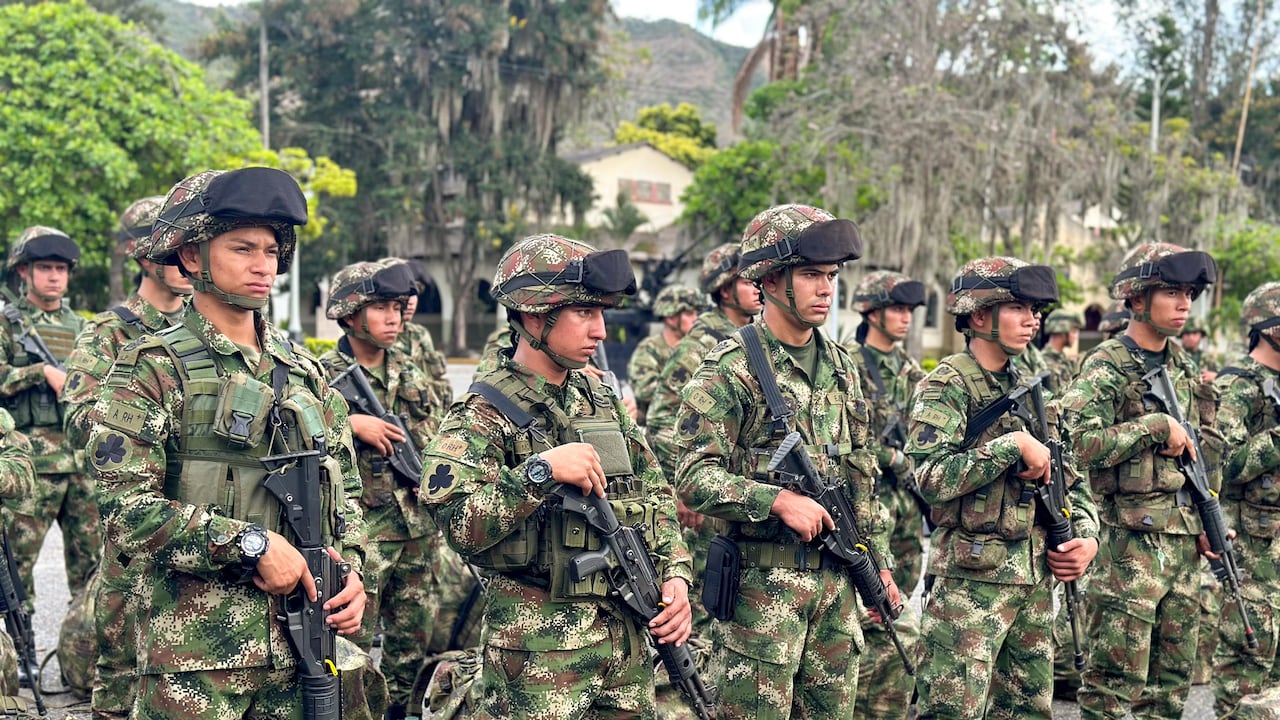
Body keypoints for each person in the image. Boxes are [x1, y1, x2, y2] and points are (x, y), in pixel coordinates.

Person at [85, 167, 368, 719]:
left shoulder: (304, 373)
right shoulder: (152, 369)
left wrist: (354, 571)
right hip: (196, 661)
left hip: (308, 649)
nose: (262, 265)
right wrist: (251, 545)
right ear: (193, 258)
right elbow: (124, 512)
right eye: (242, 248)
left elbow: (348, 493)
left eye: (270, 250)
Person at [420, 233, 693, 719]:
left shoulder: (601, 400)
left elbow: (654, 496)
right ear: (533, 317)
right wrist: (539, 472)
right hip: (538, 653)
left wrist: (675, 577)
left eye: (602, 314)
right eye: (585, 313)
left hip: (625, 643)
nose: (602, 331)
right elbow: (459, 525)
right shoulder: (482, 414)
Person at [673, 204, 893, 718]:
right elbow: (691, 476)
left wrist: (878, 564)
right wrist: (775, 500)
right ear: (771, 280)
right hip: (761, 599)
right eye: (811, 275)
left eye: (832, 276)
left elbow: (861, 475)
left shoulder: (841, 367)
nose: (826, 288)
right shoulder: (729, 368)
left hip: (837, 591)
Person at [906, 257, 1098, 720]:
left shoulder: (1035, 386)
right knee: (953, 712)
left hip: (1034, 582)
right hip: (970, 586)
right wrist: (1011, 446)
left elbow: (1072, 477)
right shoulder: (947, 385)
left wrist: (1087, 536)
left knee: (1029, 712)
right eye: (1018, 307)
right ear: (977, 315)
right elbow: (929, 477)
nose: (1032, 319)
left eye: (1036, 310)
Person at [1059, 242, 1222, 720]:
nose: (1184, 303)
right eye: (1171, 292)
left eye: (1189, 293)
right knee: (1111, 689)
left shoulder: (1184, 366)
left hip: (1182, 549)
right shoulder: (1107, 364)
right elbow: (1074, 442)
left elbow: (1196, 457)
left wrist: (1209, 524)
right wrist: (1152, 428)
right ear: (1135, 299)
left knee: (1170, 689)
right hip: (1126, 549)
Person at [61, 195, 192, 720]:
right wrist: (154, 426)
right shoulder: (109, 332)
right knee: (119, 662)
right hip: (133, 522)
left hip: (201, 515)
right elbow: (79, 420)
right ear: (145, 254)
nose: (186, 261)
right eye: (175, 250)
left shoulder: (208, 331)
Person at [319, 259, 447, 720]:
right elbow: (299, 437)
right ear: (351, 313)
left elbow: (440, 433)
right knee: (348, 647)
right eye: (381, 308)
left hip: (418, 527)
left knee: (412, 642)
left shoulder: (411, 368)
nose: (394, 318)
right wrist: (351, 424)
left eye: (397, 307)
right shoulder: (320, 373)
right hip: (364, 533)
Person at [0, 225, 99, 606]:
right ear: (24, 272)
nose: (55, 276)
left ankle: (83, 652)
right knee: (16, 567)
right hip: (33, 464)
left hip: (80, 465)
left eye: (61, 268)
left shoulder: (84, 328)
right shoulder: (9, 323)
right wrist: (39, 372)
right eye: (45, 268)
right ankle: (18, 656)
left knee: (91, 569)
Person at [846, 270, 926, 720]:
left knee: (898, 605)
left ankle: (884, 697)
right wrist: (895, 460)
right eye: (896, 309)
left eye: (909, 312)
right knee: (864, 610)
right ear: (871, 312)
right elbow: (845, 443)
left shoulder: (914, 374)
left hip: (906, 506)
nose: (904, 319)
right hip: (866, 502)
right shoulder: (851, 365)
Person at [1209, 281, 1280, 716]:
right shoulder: (1238, 385)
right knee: (1246, 655)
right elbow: (1225, 465)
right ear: (1269, 326)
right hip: (1252, 544)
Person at [645, 243, 762, 481]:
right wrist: (686, 480)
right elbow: (661, 421)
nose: (757, 289)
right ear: (725, 290)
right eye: (748, 282)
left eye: (758, 281)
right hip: (712, 487)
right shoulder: (699, 346)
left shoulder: (758, 338)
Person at [626, 285, 702, 424]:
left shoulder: (698, 348)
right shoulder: (649, 349)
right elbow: (645, 391)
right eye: (689, 313)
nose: (695, 319)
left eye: (696, 313)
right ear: (671, 318)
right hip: (659, 423)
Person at [388, 257, 454, 409]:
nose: (411, 300)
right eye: (405, 292)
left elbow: (436, 382)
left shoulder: (420, 334)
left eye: (415, 292)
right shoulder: (380, 340)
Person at [1041, 309, 1082, 394]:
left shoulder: (1064, 360)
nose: (1076, 336)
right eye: (1074, 331)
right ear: (1062, 331)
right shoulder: (1045, 363)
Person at [1180, 318, 1218, 382]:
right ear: (1181, 335)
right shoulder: (1174, 356)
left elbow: (1221, 376)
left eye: (1195, 333)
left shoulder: (1207, 358)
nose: (1191, 337)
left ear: (1201, 335)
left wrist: (1215, 376)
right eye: (1187, 333)